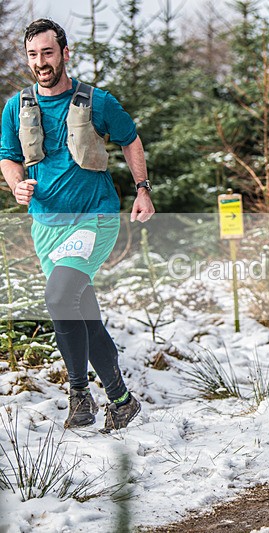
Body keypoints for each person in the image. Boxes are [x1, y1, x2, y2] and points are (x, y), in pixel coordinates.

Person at [0, 19, 154, 432]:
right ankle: (121, 399)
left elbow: (131, 139)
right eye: (33, 55)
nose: (41, 62)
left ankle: (78, 392)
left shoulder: (96, 101)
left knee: (58, 295)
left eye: (48, 53)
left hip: (95, 217)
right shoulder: (17, 106)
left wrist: (142, 190)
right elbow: (8, 157)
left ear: (65, 53)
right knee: (80, 309)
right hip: (46, 225)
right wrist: (17, 185)